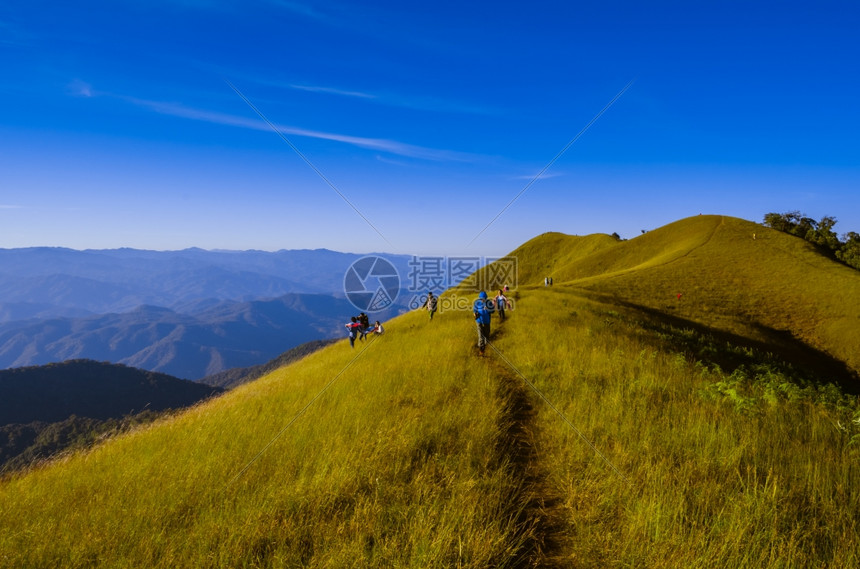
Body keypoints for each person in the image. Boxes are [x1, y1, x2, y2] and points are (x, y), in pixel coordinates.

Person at [473, 291, 494, 355]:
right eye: (481, 298)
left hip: (486, 321)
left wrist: (488, 309)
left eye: (483, 298)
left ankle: (486, 345)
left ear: (486, 298)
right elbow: (474, 310)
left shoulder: (489, 303)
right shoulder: (477, 302)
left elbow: (493, 311)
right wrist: (475, 313)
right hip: (478, 321)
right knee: (480, 335)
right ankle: (481, 349)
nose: (482, 300)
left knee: (487, 334)